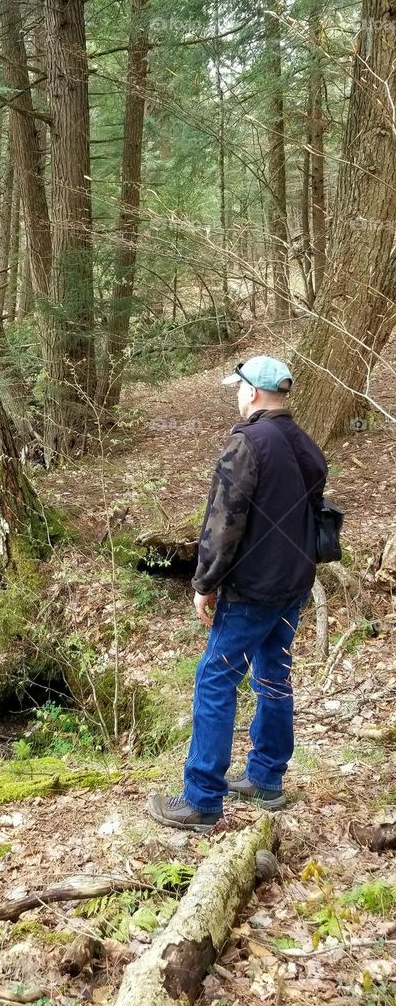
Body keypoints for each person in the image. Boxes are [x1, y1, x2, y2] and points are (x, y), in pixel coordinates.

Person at [147, 354, 328, 832]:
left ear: (252, 392)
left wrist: (204, 583)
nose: (237, 395)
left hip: (253, 590)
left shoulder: (246, 442)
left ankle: (202, 801)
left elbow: (223, 521)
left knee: (215, 680)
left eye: (239, 388)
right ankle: (266, 779)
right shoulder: (304, 443)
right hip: (294, 585)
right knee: (273, 676)